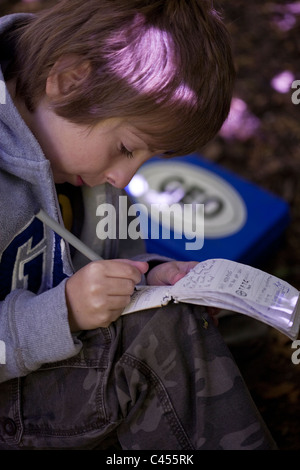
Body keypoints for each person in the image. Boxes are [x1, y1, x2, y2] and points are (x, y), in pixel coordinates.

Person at [0, 0, 276, 450]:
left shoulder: (83, 158)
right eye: (127, 147)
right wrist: (63, 312)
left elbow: (112, 253)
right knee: (161, 339)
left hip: (53, 366)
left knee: (200, 321)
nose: (124, 178)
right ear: (68, 81)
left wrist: (149, 273)